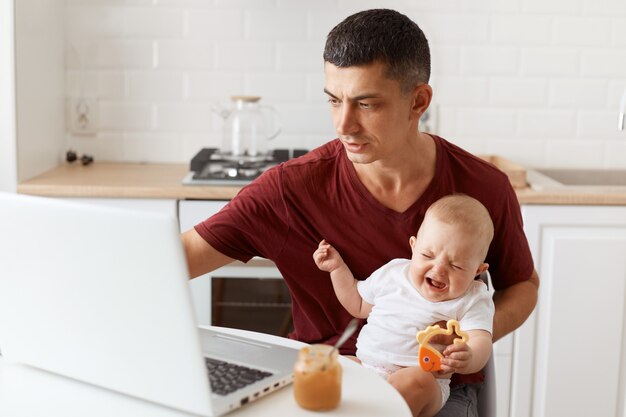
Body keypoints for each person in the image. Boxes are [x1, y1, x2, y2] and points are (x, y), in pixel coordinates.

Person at [182, 8, 539, 416]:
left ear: (418, 101)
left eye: (366, 104)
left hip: (432, 388)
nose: (343, 124)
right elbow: (178, 257)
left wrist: (470, 340)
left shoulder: (482, 187)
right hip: (330, 379)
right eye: (334, 101)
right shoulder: (290, 189)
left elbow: (522, 286)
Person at [313, 194, 495, 417]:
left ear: (478, 270)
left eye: (456, 266)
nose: (437, 270)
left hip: (424, 381)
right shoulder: (394, 272)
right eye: (427, 255)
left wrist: (468, 357)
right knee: (335, 365)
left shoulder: (472, 298)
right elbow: (358, 303)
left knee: (413, 381)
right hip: (367, 366)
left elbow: (480, 340)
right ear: (413, 246)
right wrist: (336, 269)